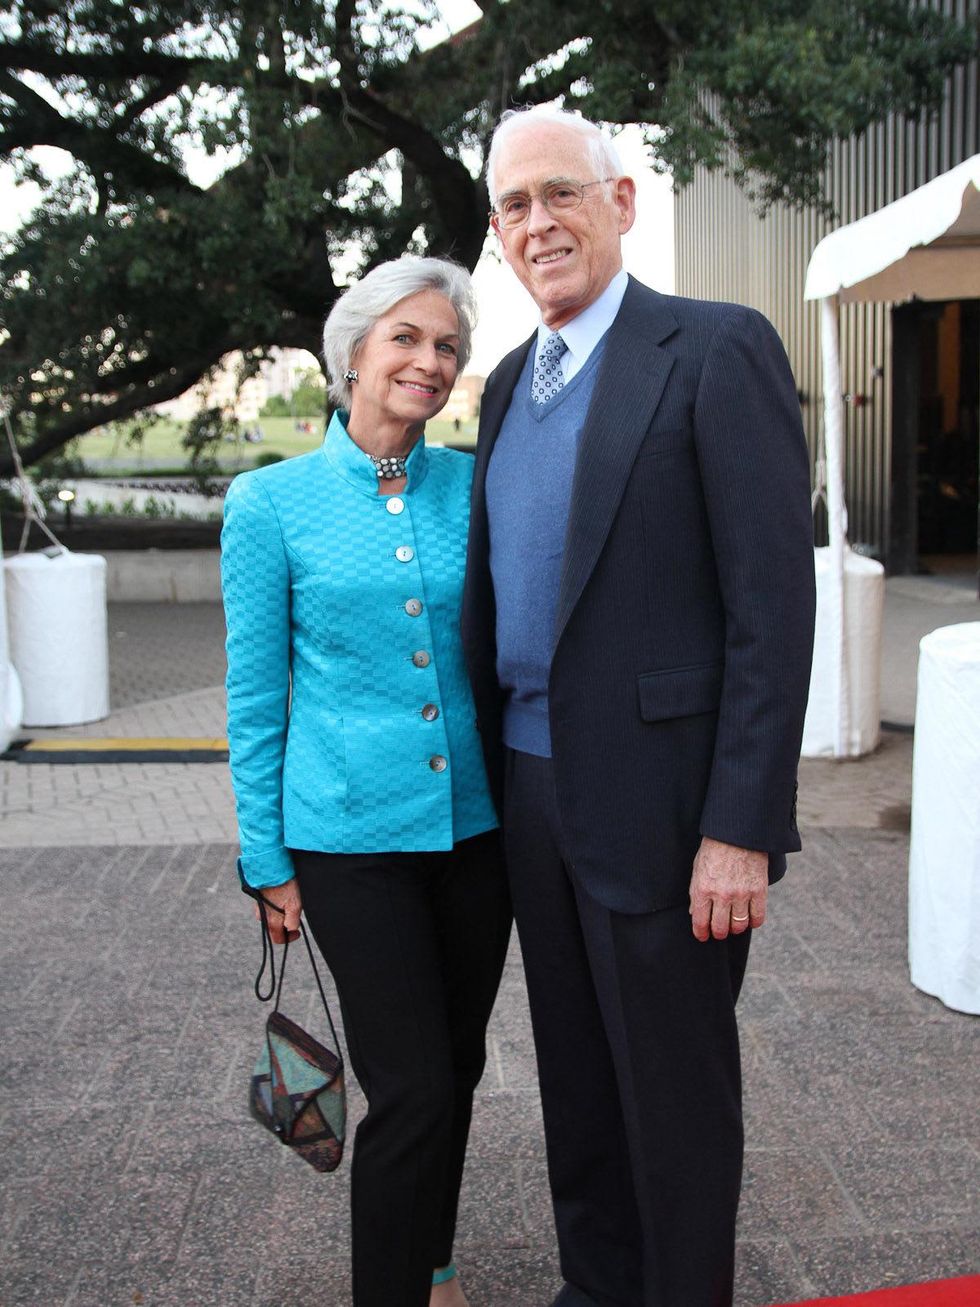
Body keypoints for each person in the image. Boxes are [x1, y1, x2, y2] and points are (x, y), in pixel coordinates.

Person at [461, 107, 816, 1307]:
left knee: (670, 1094)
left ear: (621, 203)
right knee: (573, 1078)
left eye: (559, 193)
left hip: (668, 811)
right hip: (530, 794)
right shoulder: (507, 385)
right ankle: (595, 1285)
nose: (536, 223)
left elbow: (771, 611)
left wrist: (742, 825)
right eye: (513, 206)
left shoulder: (714, 351)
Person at [222, 256, 511, 1307]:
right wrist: (266, 862)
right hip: (346, 841)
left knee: (459, 1068)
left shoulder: (478, 483)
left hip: (479, 832)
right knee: (414, 1086)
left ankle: (430, 1262)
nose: (428, 362)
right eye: (406, 339)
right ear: (352, 354)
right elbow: (256, 698)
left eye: (445, 347)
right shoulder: (269, 504)